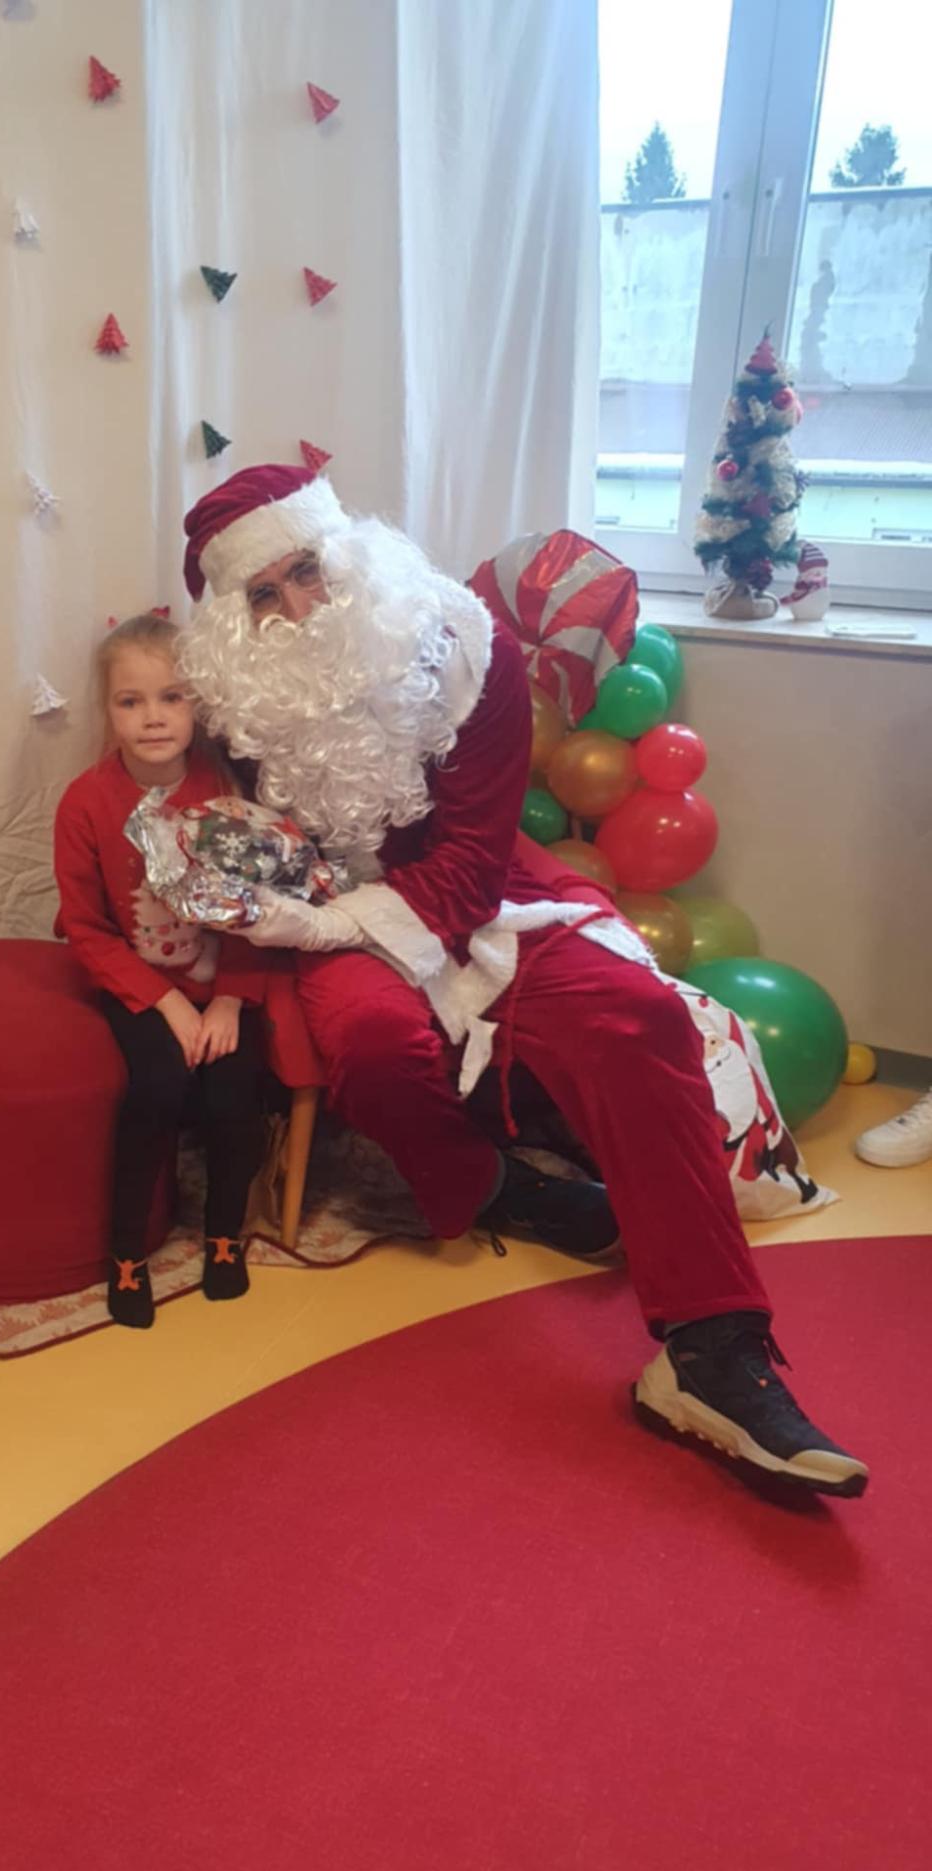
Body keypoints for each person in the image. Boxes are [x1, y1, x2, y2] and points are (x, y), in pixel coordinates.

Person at [176, 464, 868, 1499]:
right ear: (237, 623)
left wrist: (333, 923)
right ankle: (495, 1185)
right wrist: (263, 923)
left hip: (484, 883)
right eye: (264, 595)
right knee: (372, 1046)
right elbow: (240, 849)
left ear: (350, 557)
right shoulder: (239, 705)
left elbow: (468, 866)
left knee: (633, 1014)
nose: (299, 608)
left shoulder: (466, 651)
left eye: (307, 571)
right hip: (326, 913)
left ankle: (711, 1348)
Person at [54, 613, 267, 1328]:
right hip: (139, 984)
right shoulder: (85, 803)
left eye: (171, 697)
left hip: (222, 979)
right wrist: (166, 1004)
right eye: (131, 700)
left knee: (237, 1092)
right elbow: (86, 927)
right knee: (155, 1087)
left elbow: (258, 907)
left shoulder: (226, 787)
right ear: (108, 710)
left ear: (196, 703)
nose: (152, 717)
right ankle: (126, 1250)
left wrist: (229, 1000)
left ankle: (224, 1234)